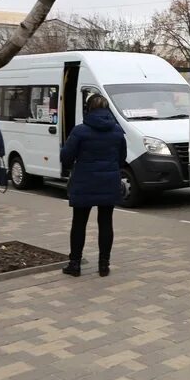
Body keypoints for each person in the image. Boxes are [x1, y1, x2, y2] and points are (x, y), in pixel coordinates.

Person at [59, 95, 126, 277]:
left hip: (84, 182)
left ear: (88, 109)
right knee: (106, 223)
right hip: (108, 182)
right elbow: (122, 158)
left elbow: (66, 157)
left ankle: (75, 265)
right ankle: (104, 265)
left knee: (79, 223)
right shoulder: (118, 131)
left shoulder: (80, 131)